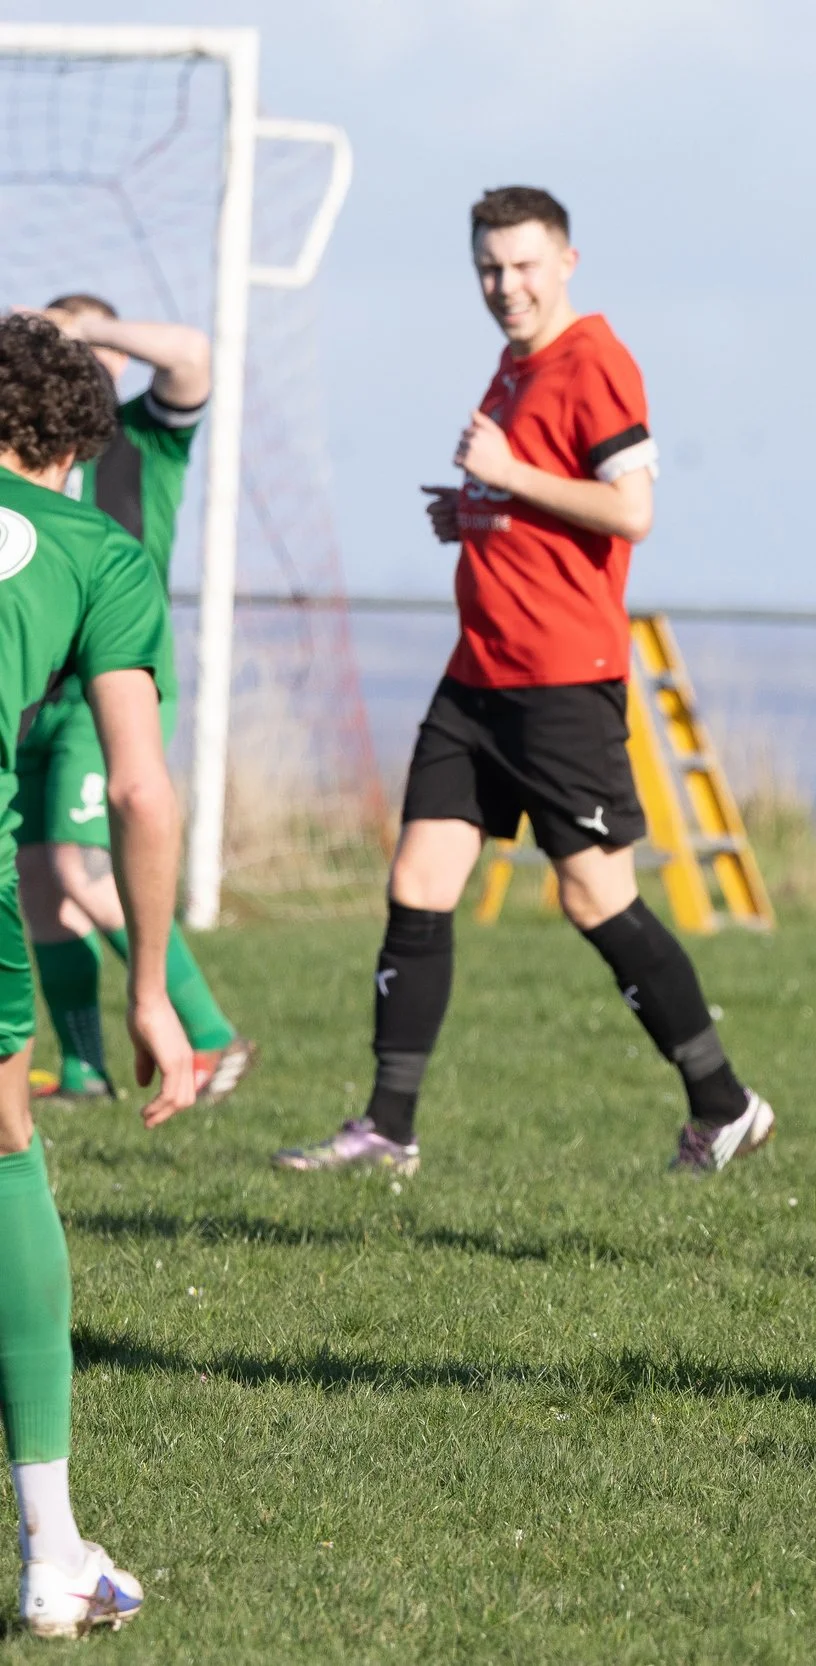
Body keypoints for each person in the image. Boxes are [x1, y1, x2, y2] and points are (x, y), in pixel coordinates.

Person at [275, 185, 773, 1177]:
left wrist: (505, 476)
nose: (506, 285)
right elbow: (537, 498)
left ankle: (725, 1102)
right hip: (477, 677)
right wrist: (475, 515)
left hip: (559, 680)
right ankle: (387, 1128)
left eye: (523, 265)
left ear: (567, 262)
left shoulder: (595, 360)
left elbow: (630, 512)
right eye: (489, 269)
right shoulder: (513, 365)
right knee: (417, 885)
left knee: (594, 899)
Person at [0, 311, 198, 1635]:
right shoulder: (91, 548)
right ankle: (55, 1549)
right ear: (76, 443)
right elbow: (139, 782)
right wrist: (147, 989)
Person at [12, 296, 253, 1105]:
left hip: (104, 686)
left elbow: (189, 353)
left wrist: (90, 333)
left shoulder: (143, 434)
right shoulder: (19, 450)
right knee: (39, 881)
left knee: (79, 865)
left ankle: (209, 1036)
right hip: (29, 692)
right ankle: (84, 1067)